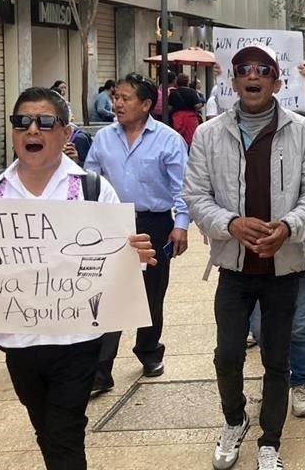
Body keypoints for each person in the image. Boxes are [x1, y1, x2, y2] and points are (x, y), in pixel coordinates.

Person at [0, 86, 155, 470]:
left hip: (78, 339)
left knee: (64, 430)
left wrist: (134, 255)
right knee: (45, 428)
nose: (32, 131)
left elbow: (117, 260)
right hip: (18, 339)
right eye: (22, 122)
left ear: (66, 132)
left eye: (44, 122)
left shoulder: (91, 189)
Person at [184, 44, 305, 470]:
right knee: (227, 354)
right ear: (234, 81)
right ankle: (235, 420)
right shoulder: (209, 134)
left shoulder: (304, 132)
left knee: (277, 357)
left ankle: (270, 440)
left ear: (276, 82)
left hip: (284, 268)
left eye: (262, 70)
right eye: (244, 70)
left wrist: (286, 228)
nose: (253, 76)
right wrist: (230, 224)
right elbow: (195, 194)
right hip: (234, 266)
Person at [86, 73, 190, 394]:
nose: (117, 103)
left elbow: (182, 188)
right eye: (116, 97)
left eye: (125, 98)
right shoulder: (103, 139)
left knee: (150, 294)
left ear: (146, 104)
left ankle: (149, 351)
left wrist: (181, 225)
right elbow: (91, 180)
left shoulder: (168, 139)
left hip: (154, 223)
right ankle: (101, 371)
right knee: (110, 294)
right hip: (112, 223)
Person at [249, 150, 305, 418]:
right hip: (262, 261)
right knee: (261, 327)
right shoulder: (257, 161)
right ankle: (275, 379)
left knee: (300, 326)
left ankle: (300, 383)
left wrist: (291, 218)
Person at [169, 74, 203, 147]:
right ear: (187, 82)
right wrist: (202, 104)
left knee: (178, 138)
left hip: (177, 117)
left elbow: (169, 107)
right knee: (191, 139)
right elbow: (197, 106)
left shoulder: (173, 93)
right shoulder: (192, 92)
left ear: (177, 82)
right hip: (190, 118)